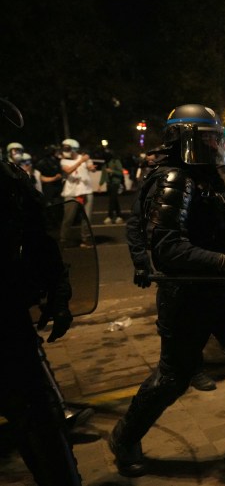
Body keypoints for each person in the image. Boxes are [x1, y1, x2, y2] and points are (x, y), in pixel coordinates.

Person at [112, 104, 225, 479]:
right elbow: (167, 247)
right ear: (182, 140)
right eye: (204, 137)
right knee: (172, 377)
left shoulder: (208, 177)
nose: (213, 144)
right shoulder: (174, 179)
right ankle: (124, 437)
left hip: (220, 292)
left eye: (215, 137)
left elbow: (218, 231)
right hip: (187, 296)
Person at [0, 98, 82, 486]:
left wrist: (59, 289)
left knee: (43, 418)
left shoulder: (10, 178)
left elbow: (38, 240)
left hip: (9, 321)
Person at [59, 138, 96, 248]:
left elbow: (90, 167)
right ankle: (63, 239)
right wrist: (81, 162)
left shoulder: (84, 158)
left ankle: (86, 239)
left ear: (74, 149)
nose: (65, 150)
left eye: (67, 148)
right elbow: (68, 170)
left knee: (87, 218)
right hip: (71, 192)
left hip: (86, 191)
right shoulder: (64, 160)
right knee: (68, 217)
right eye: (64, 148)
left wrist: (91, 167)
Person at [100, 150, 124, 224]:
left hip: (115, 183)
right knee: (114, 200)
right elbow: (103, 175)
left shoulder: (115, 161)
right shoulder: (105, 164)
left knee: (112, 200)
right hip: (109, 184)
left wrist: (112, 171)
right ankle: (119, 216)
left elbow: (120, 173)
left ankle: (110, 217)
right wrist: (100, 185)